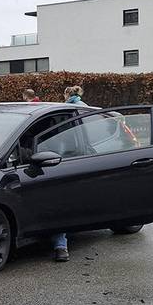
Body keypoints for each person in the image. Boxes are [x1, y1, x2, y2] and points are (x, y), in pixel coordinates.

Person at [51, 85, 89, 261]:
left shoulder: (65, 112)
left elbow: (62, 143)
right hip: (85, 158)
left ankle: (61, 246)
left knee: (60, 203)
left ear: (66, 94)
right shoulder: (86, 109)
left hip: (67, 160)